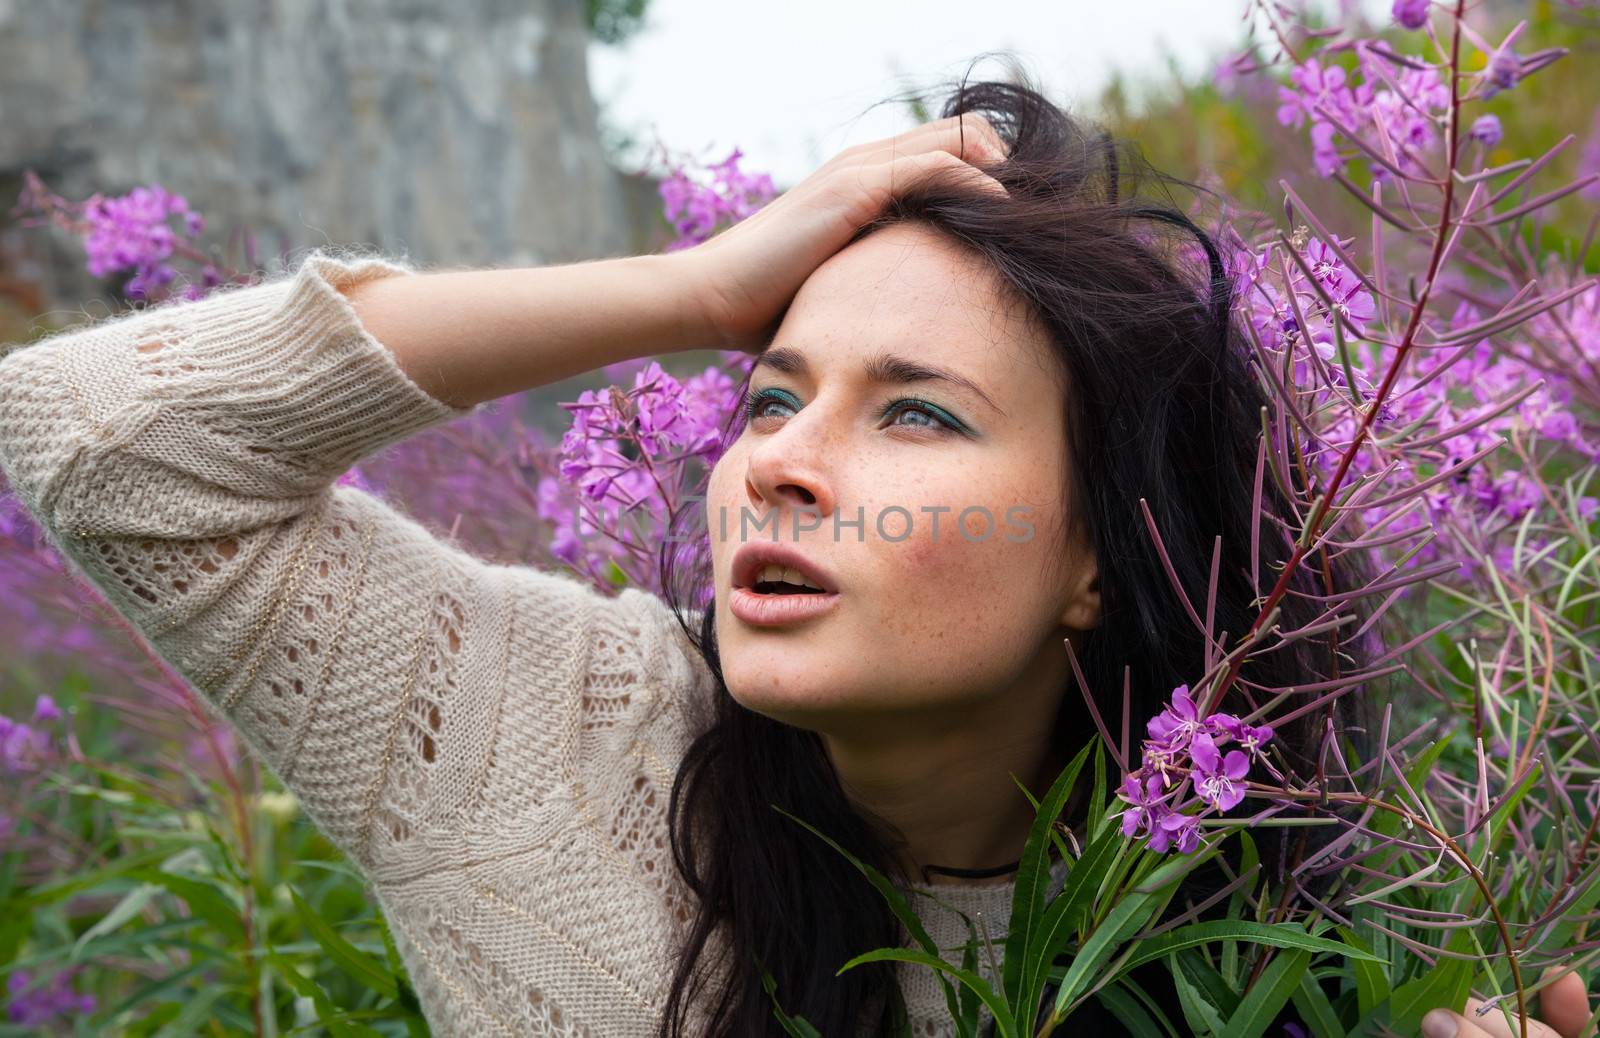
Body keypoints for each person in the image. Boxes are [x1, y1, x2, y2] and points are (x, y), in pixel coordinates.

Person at [0, 70, 1589, 1038]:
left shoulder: (1282, 939)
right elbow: (86, 437)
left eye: (918, 419)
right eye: (769, 393)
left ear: (1103, 560)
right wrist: (697, 286)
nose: (779, 465)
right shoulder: (543, 733)